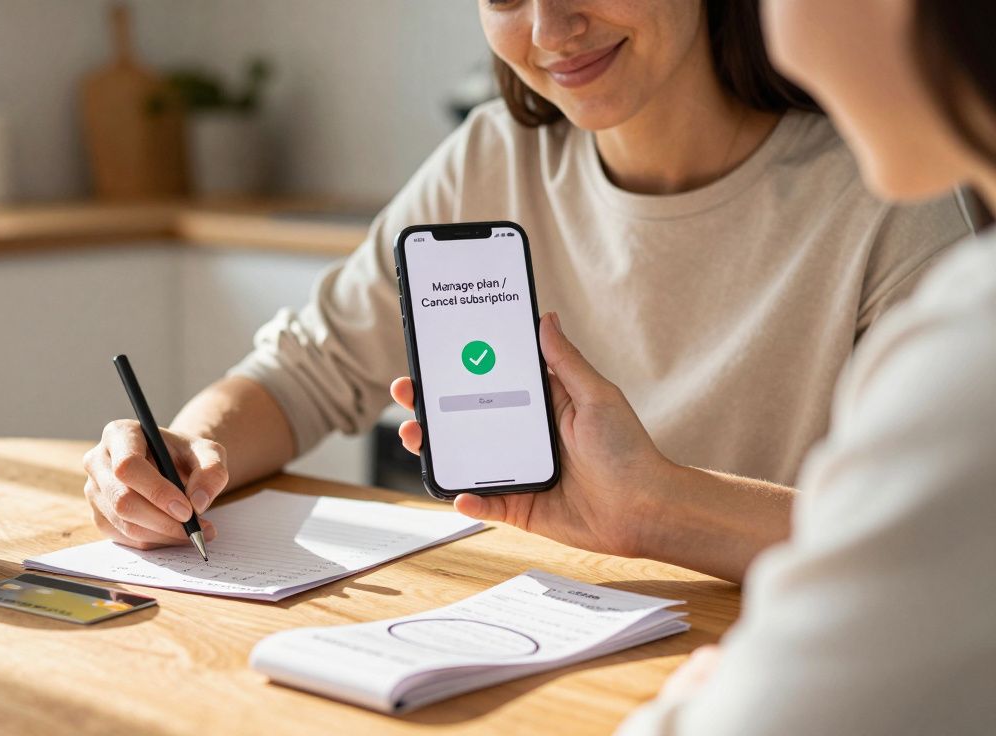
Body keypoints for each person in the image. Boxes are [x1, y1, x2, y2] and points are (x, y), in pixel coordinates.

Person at [82, 1, 972, 555]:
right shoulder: (493, 157)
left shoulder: (889, 187)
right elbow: (306, 370)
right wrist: (187, 453)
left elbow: (948, 546)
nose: (549, 33)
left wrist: (656, 509)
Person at [399, 0, 996, 731]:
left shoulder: (964, 333)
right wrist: (649, 507)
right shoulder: (967, 315)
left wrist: (711, 693)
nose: (551, 30)